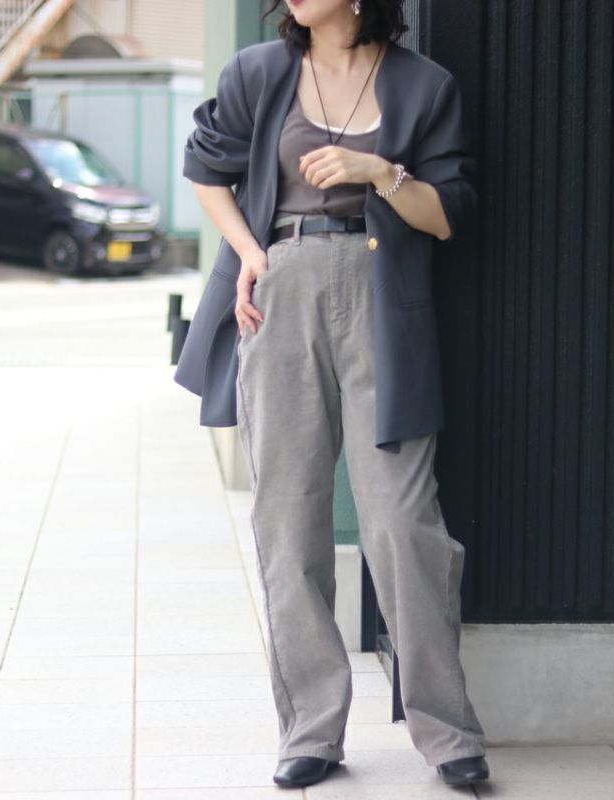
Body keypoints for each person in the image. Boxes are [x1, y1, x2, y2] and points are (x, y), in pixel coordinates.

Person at [180, 0, 490, 789]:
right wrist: (250, 253)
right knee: (288, 518)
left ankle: (447, 731)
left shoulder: (423, 85)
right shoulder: (259, 72)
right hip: (281, 289)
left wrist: (379, 172)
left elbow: (447, 214)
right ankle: (311, 731)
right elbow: (205, 170)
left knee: (404, 521)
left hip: (385, 299)